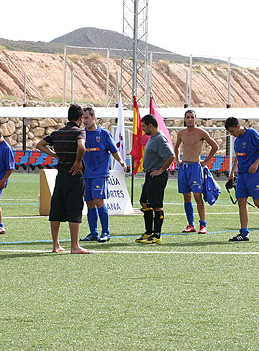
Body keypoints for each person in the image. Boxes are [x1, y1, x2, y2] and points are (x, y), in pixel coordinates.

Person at [36, 104, 92, 254]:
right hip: (74, 175)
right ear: (80, 118)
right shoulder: (79, 132)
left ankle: (55, 245)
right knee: (75, 209)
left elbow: (40, 144)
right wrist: (78, 162)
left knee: (56, 209)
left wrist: (54, 155)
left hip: (60, 175)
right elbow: (81, 147)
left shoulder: (57, 133)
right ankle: (75, 246)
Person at [225, 117, 259, 242]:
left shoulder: (252, 133)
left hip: (255, 174)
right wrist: (232, 172)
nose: (232, 134)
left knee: (258, 202)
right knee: (241, 201)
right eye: (229, 132)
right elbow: (238, 157)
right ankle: (244, 233)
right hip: (242, 175)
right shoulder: (237, 141)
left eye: (232, 131)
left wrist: (256, 163)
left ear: (238, 126)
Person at [80, 106, 126, 242]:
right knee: (89, 203)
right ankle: (93, 232)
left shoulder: (104, 134)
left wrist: (121, 161)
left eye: (87, 118)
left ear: (94, 117)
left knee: (99, 201)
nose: (84, 121)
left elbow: (114, 150)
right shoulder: (81, 134)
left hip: (99, 174)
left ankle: (106, 232)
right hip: (85, 174)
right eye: (83, 118)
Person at [174, 109, 219, 234]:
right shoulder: (181, 133)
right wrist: (178, 159)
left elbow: (215, 146)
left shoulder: (201, 133)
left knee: (198, 196)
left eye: (192, 117)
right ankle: (190, 224)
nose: (189, 119)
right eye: (187, 117)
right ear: (184, 119)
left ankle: (203, 225)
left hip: (195, 168)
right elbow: (176, 146)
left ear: (195, 118)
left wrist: (206, 161)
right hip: (184, 168)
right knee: (186, 196)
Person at [136, 114, 176, 245]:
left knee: (157, 205)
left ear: (150, 126)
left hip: (157, 176)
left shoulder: (159, 138)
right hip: (150, 175)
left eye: (144, 126)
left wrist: (161, 170)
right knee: (144, 202)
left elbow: (171, 156)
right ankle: (149, 232)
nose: (142, 129)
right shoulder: (153, 138)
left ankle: (157, 235)